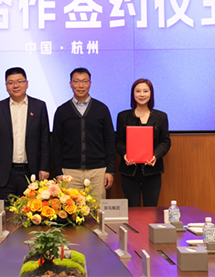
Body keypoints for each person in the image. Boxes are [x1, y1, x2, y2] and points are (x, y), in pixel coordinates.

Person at [52, 67, 116, 200]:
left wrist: (110, 170)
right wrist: (58, 172)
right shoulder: (62, 111)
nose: (80, 85)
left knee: (97, 210)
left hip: (97, 171)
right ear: (70, 84)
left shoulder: (102, 109)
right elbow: (56, 144)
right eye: (76, 81)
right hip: (70, 173)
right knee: (70, 209)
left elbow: (109, 141)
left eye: (85, 81)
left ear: (90, 83)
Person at [0, 67, 51, 201]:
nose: (15, 86)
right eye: (10, 83)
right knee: (6, 211)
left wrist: (44, 167)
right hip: (5, 172)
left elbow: (44, 140)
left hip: (31, 172)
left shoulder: (39, 106)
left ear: (26, 84)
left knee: (31, 211)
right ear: (6, 86)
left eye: (19, 81)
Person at [115, 78, 171, 207]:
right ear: (133, 94)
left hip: (153, 171)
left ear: (151, 93)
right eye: (138, 91)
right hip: (129, 171)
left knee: (151, 210)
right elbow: (118, 140)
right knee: (132, 211)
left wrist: (155, 155)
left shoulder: (161, 116)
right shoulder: (123, 116)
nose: (141, 94)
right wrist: (125, 154)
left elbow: (166, 141)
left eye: (145, 91)